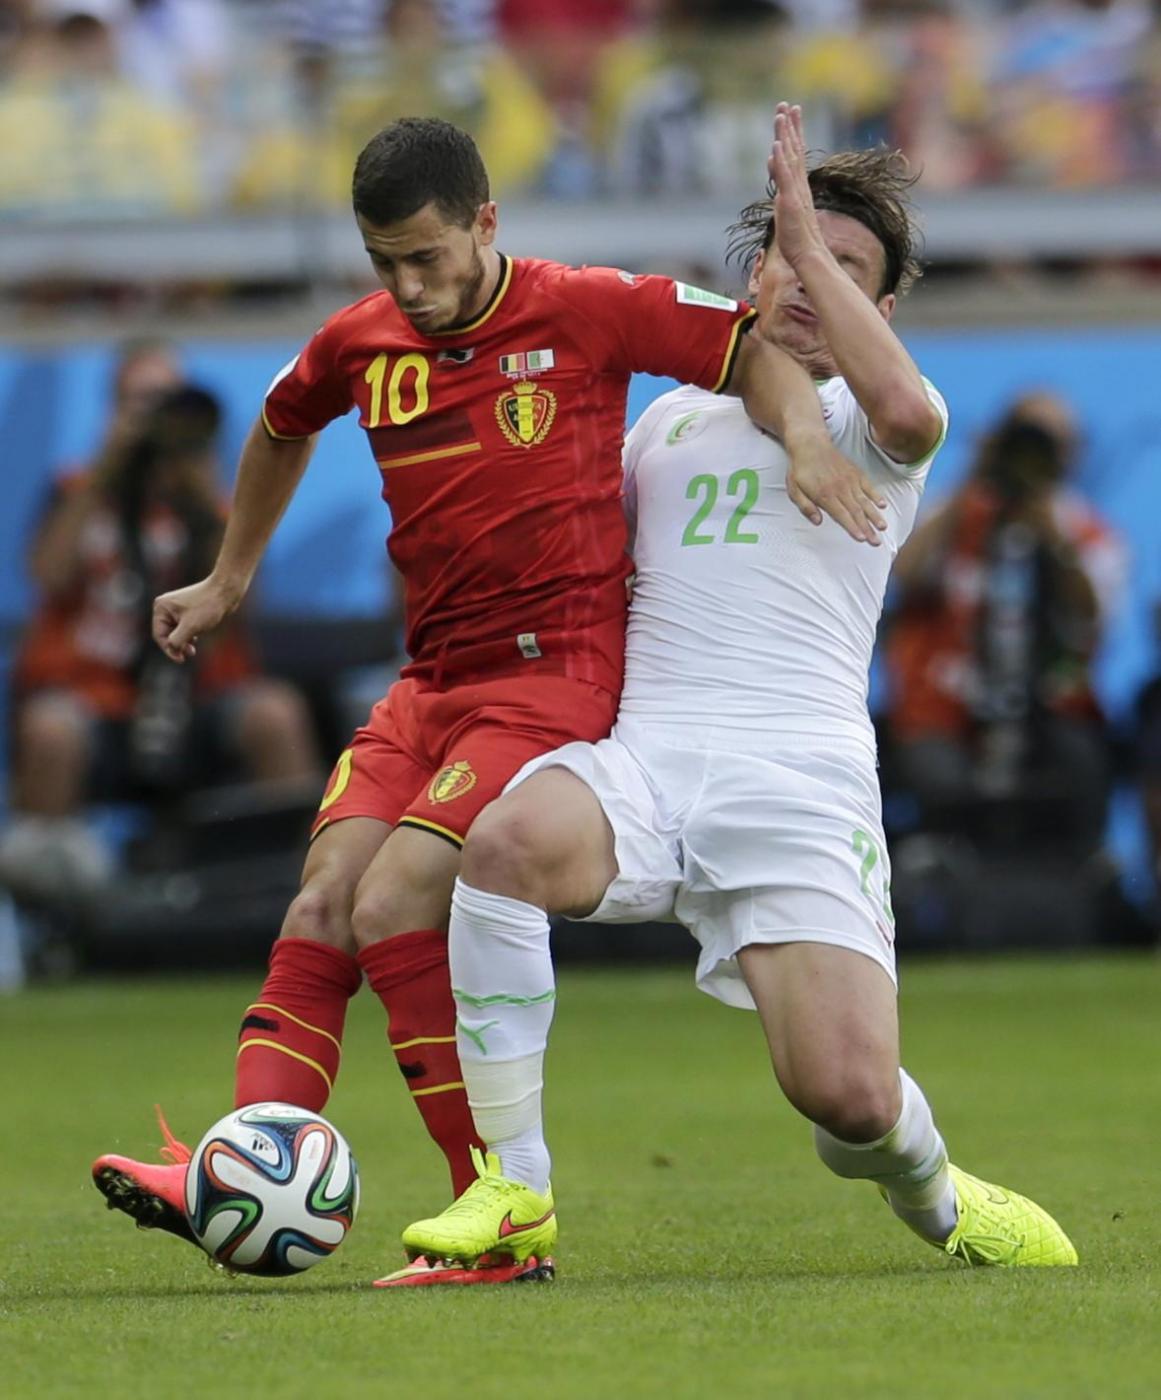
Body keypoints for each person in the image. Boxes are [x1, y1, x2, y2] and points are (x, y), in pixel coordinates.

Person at [90, 114, 886, 1285]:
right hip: (430, 683)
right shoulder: (361, 339)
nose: (408, 287)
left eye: (427, 256)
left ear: (486, 224)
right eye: (384, 263)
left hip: (550, 676)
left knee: (395, 896)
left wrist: (809, 439)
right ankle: (238, 1165)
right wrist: (229, 575)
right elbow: (280, 423)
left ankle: (500, 1209)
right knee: (321, 903)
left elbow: (750, 350)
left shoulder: (585, 306)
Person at [398, 105, 1078, 1283]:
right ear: (751, 273)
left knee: (848, 1100)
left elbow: (909, 412)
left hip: (798, 784)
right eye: (794, 256)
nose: (813, 282)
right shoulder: (668, 419)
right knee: (501, 847)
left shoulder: (880, 425)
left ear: (883, 309)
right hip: (649, 760)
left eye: (848, 269)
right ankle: (515, 1188)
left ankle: (936, 1189)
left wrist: (811, 236)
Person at [1, 361, 320, 901]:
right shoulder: (76, 489)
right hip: (93, 699)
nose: (157, 419)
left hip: (198, 696)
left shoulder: (212, 499)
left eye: (170, 403)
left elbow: (245, 602)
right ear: (114, 410)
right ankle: (46, 916)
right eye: (142, 403)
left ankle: (299, 897)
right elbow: (47, 575)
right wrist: (107, 468)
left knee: (275, 714)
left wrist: (202, 487)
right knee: (50, 730)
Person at [886, 390, 1124, 857]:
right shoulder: (953, 514)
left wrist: (1051, 532)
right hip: (943, 710)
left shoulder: (1088, 533)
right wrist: (974, 480)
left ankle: (1082, 879)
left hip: (1046, 710)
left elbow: (1092, 618)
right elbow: (902, 574)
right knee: (935, 775)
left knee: (1083, 762)